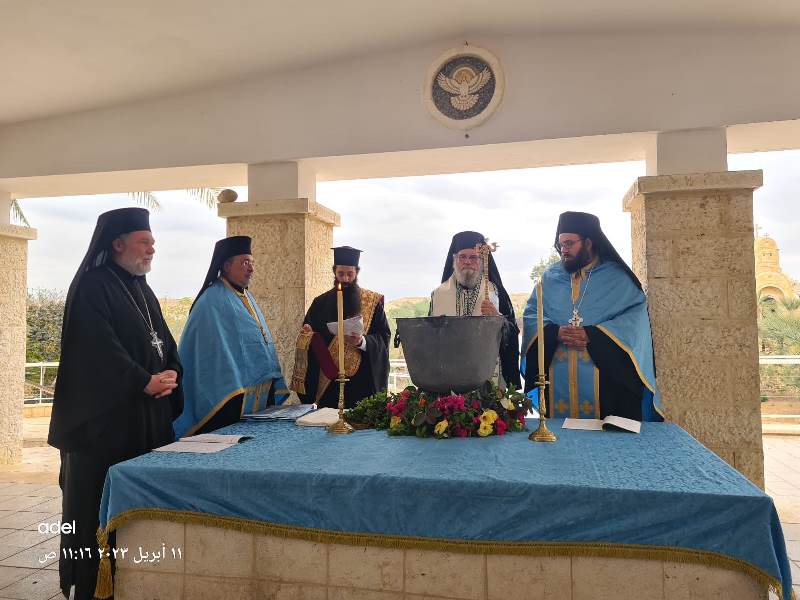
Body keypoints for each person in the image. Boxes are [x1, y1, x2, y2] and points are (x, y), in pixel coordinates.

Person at [48, 208, 183, 600]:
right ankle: (95, 587)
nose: (152, 248)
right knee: (95, 513)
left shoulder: (142, 288)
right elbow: (96, 351)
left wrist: (171, 373)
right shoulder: (93, 286)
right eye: (145, 242)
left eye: (152, 242)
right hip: (104, 428)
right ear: (118, 244)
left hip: (147, 421)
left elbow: (164, 342)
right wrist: (143, 381)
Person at [521, 211, 662, 421]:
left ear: (588, 243)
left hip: (608, 387)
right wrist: (554, 332)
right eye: (561, 244)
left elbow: (635, 319)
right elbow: (532, 314)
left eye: (569, 243)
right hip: (556, 381)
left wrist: (594, 335)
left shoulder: (617, 277)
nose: (563, 250)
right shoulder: (550, 277)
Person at [173, 236, 289, 437]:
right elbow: (212, 356)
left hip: (256, 395)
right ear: (226, 265)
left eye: (252, 263)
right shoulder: (211, 300)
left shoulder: (245, 296)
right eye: (245, 263)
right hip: (226, 398)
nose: (251, 269)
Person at [290, 246, 390, 408]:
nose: (345, 279)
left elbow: (383, 337)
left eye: (350, 274)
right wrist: (308, 334)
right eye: (341, 273)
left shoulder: (372, 302)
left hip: (363, 384)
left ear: (356, 272)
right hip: (330, 385)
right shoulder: (320, 303)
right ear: (334, 271)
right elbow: (310, 337)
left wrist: (362, 342)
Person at [429, 231, 521, 389]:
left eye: (473, 257)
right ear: (454, 260)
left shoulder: (495, 292)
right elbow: (429, 336)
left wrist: (498, 318)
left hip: (486, 376)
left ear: (482, 261)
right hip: (449, 376)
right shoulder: (439, 295)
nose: (467, 262)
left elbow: (512, 333)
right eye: (462, 257)